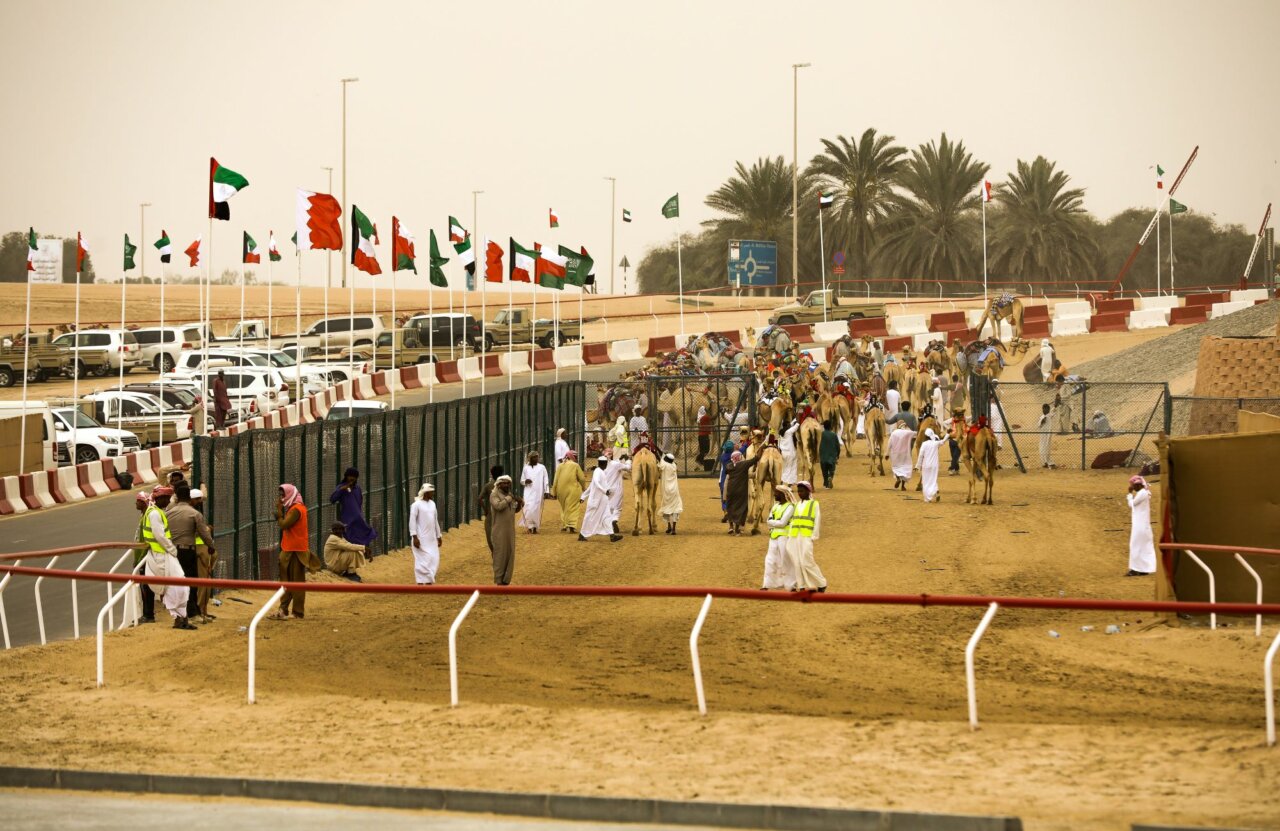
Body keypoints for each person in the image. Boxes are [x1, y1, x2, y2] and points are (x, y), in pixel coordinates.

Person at [134, 487, 194, 629]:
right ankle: (179, 618)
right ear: (160, 498)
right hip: (161, 555)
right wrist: (172, 550)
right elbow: (159, 535)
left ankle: (181, 618)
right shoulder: (155, 513)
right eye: (167, 498)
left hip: (161, 554)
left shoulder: (156, 512)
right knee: (177, 586)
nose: (168, 501)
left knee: (178, 586)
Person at [164, 482, 212, 623]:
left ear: (177, 497)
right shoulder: (194, 513)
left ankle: (182, 614)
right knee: (191, 582)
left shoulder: (168, 513)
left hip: (173, 552)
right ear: (189, 498)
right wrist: (211, 546)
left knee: (177, 584)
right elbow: (204, 534)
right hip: (187, 551)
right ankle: (192, 613)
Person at [272, 484, 320, 620]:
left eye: (283, 495)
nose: (281, 498)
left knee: (297, 582)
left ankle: (297, 612)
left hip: (296, 551)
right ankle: (283, 610)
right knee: (285, 581)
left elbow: (284, 525)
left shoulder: (297, 509)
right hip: (289, 549)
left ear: (290, 494)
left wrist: (279, 513)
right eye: (280, 495)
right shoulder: (293, 508)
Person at [788, 482, 827, 592]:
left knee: (807, 561)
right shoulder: (797, 505)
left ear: (808, 491)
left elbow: (817, 520)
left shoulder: (814, 504)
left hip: (806, 536)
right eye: (798, 491)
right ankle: (801, 586)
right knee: (797, 562)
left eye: (802, 491)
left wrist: (814, 536)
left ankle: (821, 583)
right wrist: (790, 534)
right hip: (795, 536)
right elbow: (793, 521)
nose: (800, 493)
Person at [330, 467, 377, 550]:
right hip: (348, 521)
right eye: (350, 476)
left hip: (358, 520)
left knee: (365, 536)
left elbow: (359, 502)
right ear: (346, 476)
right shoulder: (341, 487)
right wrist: (342, 489)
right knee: (349, 541)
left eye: (354, 477)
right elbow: (332, 499)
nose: (351, 478)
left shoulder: (357, 488)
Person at [579, 457, 623, 543]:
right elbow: (596, 482)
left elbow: (591, 486)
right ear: (604, 464)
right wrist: (604, 490)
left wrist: (583, 496)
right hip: (595, 501)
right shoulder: (597, 472)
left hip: (603, 501)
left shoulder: (601, 472)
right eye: (606, 463)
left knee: (607, 517)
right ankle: (582, 534)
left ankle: (612, 536)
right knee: (589, 518)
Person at [189, 488, 218, 622]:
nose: (200, 502)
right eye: (198, 500)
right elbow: (196, 531)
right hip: (201, 549)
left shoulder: (193, 512)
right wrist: (207, 529)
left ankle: (203, 610)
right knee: (204, 581)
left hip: (198, 549)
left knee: (204, 581)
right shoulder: (193, 513)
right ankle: (201, 610)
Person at [488, 475, 522, 584]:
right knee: (500, 555)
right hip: (499, 532)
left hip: (510, 532)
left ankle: (506, 580)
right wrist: (509, 499)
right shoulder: (494, 494)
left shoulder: (509, 495)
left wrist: (520, 503)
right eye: (504, 483)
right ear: (499, 484)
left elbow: (514, 510)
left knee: (510, 555)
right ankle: (499, 580)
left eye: (508, 483)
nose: (507, 485)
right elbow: (498, 506)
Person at [762, 485, 797, 590]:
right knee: (770, 561)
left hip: (785, 537)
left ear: (783, 494)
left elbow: (782, 523)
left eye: (776, 493)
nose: (774, 494)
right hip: (773, 537)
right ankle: (766, 585)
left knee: (786, 561)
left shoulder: (790, 507)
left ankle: (791, 586)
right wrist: (774, 523)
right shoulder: (775, 506)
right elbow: (768, 521)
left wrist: (772, 522)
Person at [409, 483, 443, 585]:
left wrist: (439, 536)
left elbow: (435, 521)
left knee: (434, 559)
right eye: (431, 492)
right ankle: (420, 582)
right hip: (420, 539)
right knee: (422, 561)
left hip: (431, 539)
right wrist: (415, 537)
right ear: (426, 493)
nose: (433, 493)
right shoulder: (416, 505)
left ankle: (428, 580)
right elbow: (412, 521)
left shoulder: (433, 504)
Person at [723, 450, 761, 536]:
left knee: (730, 507)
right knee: (741, 508)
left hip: (730, 491)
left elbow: (738, 473)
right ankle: (737, 529)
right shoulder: (743, 465)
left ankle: (731, 526)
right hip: (741, 491)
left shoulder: (729, 466)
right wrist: (762, 447)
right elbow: (756, 458)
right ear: (739, 457)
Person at [1126, 476, 1156, 576]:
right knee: (1143, 547)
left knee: (1135, 545)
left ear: (1139, 485)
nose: (1132, 488)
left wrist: (1130, 494)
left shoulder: (1142, 493)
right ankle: (1143, 569)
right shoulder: (1144, 493)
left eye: (1133, 486)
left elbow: (1132, 504)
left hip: (1140, 525)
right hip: (1143, 525)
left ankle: (1134, 569)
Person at [552, 449, 586, 533]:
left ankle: (565, 525)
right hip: (573, 490)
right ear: (572, 457)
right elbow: (582, 478)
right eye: (576, 457)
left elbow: (555, 480)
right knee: (573, 507)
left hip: (560, 491)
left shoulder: (560, 466)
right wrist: (583, 488)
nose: (576, 458)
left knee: (563, 507)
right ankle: (571, 525)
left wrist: (554, 492)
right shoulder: (575, 465)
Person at [517, 451, 550, 534]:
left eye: (537, 457)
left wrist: (547, 491)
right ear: (530, 458)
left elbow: (546, 479)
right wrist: (526, 481)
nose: (536, 459)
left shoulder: (542, 467)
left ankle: (534, 527)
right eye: (534, 457)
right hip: (528, 491)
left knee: (536, 509)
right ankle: (529, 526)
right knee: (528, 507)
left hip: (538, 491)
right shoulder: (525, 468)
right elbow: (522, 480)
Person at [916, 429, 949, 503]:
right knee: (933, 480)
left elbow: (921, 455)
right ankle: (934, 492)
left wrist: (918, 466)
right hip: (934, 466)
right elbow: (943, 441)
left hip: (926, 465)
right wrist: (948, 434)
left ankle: (928, 498)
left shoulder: (924, 444)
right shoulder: (935, 443)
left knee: (926, 481)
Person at [478, 465, 503, 554]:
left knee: (490, 538)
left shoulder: (488, 486)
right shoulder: (504, 485)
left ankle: (495, 555)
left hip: (491, 515)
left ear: (491, 474)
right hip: (502, 515)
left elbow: (479, 498)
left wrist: (485, 510)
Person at [657, 452, 683, 534]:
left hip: (666, 491)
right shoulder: (674, 465)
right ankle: (673, 529)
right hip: (674, 490)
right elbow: (663, 458)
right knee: (675, 508)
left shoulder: (664, 465)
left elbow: (659, 458)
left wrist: (655, 450)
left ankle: (669, 526)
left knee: (666, 507)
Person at [888, 420, 915, 490]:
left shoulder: (894, 433)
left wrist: (887, 453)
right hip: (905, 453)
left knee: (896, 467)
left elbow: (889, 443)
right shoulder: (907, 432)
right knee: (905, 468)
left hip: (895, 454)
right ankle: (903, 486)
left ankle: (898, 479)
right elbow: (915, 434)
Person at [819, 420, 840, 489]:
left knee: (824, 471)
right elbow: (838, 446)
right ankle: (830, 476)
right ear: (831, 426)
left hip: (823, 456)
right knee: (832, 469)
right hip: (832, 456)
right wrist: (837, 455)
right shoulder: (834, 435)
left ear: (824, 427)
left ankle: (826, 483)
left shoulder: (821, 434)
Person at [717, 439, 735, 520]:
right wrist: (745, 444)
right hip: (733, 479)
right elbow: (742, 450)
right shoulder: (735, 456)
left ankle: (725, 512)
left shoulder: (722, 457)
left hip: (723, 480)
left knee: (723, 497)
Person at [779, 418, 800, 486]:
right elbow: (796, 425)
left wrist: (794, 419)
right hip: (790, 453)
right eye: (789, 425)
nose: (790, 426)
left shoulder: (782, 432)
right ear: (787, 426)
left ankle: (785, 482)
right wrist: (799, 415)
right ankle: (786, 484)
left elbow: (791, 424)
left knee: (786, 468)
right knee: (790, 468)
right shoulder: (789, 432)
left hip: (784, 453)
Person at [946, 408, 966, 475]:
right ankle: (957, 469)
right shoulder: (952, 419)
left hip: (960, 441)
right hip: (952, 440)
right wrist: (949, 429)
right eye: (958, 414)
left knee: (955, 456)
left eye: (961, 414)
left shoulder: (964, 419)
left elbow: (971, 418)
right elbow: (944, 423)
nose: (959, 416)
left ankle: (951, 468)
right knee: (953, 456)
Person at [1038, 403, 1056, 469]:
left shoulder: (1049, 415)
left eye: (1045, 409)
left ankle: (1049, 462)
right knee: (1042, 448)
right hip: (1042, 436)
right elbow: (1039, 425)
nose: (1044, 410)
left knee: (1047, 448)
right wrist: (1043, 420)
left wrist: (1056, 404)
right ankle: (1044, 462)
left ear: (1048, 410)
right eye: (1043, 409)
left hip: (1048, 435)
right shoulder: (1041, 417)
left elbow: (1053, 409)